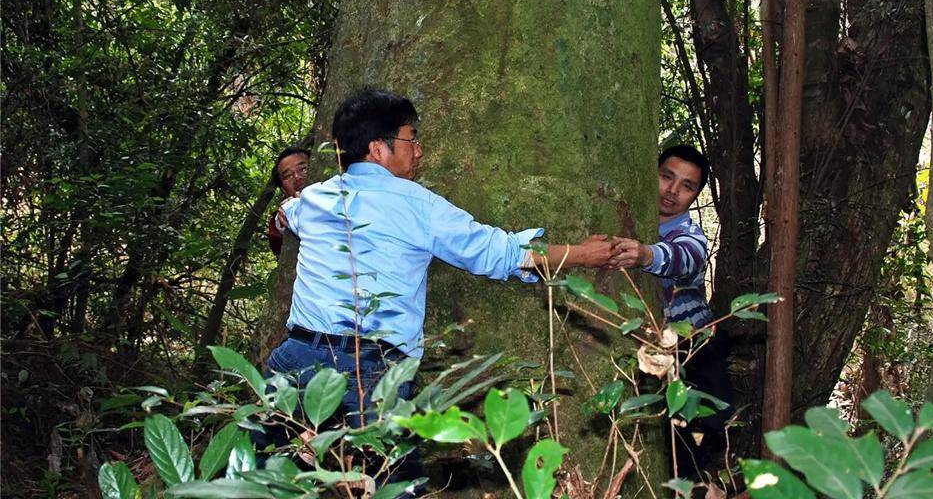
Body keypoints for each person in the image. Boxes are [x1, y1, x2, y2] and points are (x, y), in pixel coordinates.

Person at [264, 89, 613, 486]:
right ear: (379, 149)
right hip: (369, 375)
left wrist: (281, 216)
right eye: (411, 139)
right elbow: (498, 251)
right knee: (393, 487)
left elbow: (287, 212)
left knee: (270, 482)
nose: (419, 151)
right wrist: (585, 254)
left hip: (294, 362)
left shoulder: (314, 198)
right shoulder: (417, 205)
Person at [608, 144, 731, 477]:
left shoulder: (689, 235)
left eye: (687, 186)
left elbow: (685, 258)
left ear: (695, 196)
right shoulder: (629, 211)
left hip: (696, 355)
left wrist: (646, 255)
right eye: (667, 177)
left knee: (696, 452)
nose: (672, 191)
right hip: (655, 356)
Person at [266, 146, 310, 257]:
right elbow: (276, 244)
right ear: (283, 190)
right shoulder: (281, 216)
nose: (297, 177)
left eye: (303, 169)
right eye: (288, 176)